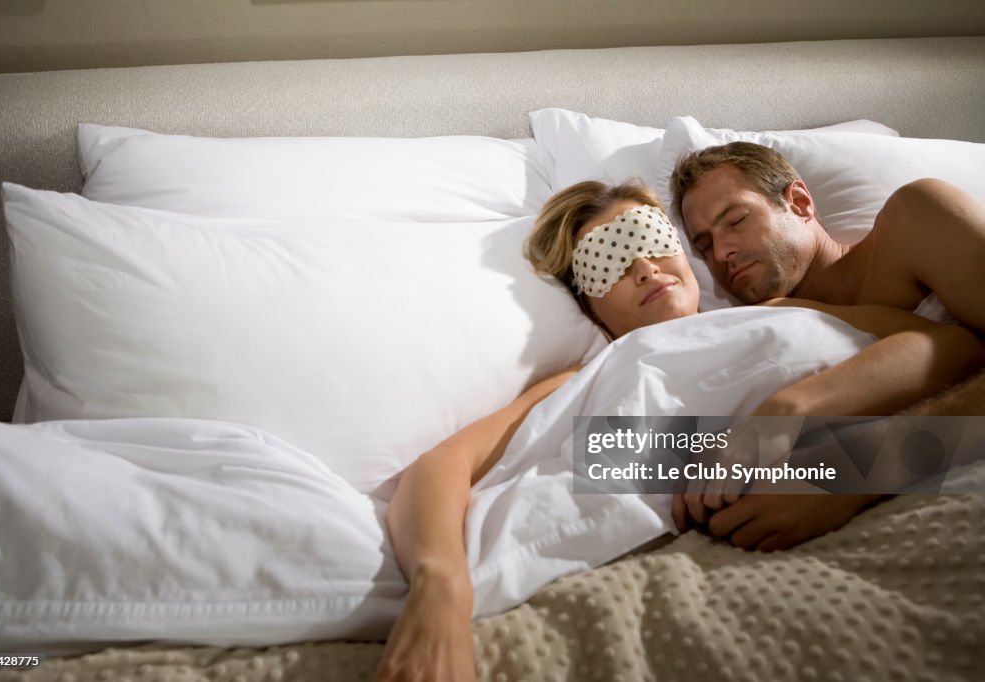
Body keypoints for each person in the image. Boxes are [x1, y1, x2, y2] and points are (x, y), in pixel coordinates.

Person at [373, 180, 984, 681]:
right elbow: (441, 467)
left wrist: (794, 406)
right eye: (607, 260)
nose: (641, 266)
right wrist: (441, 587)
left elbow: (951, 346)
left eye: (650, 238)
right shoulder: (583, 378)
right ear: (590, 309)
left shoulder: (783, 312)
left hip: (888, 488)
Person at [669, 142, 985, 537]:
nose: (721, 251)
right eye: (703, 246)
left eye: (735, 220)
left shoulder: (913, 218)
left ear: (800, 203)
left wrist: (858, 467)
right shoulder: (754, 333)